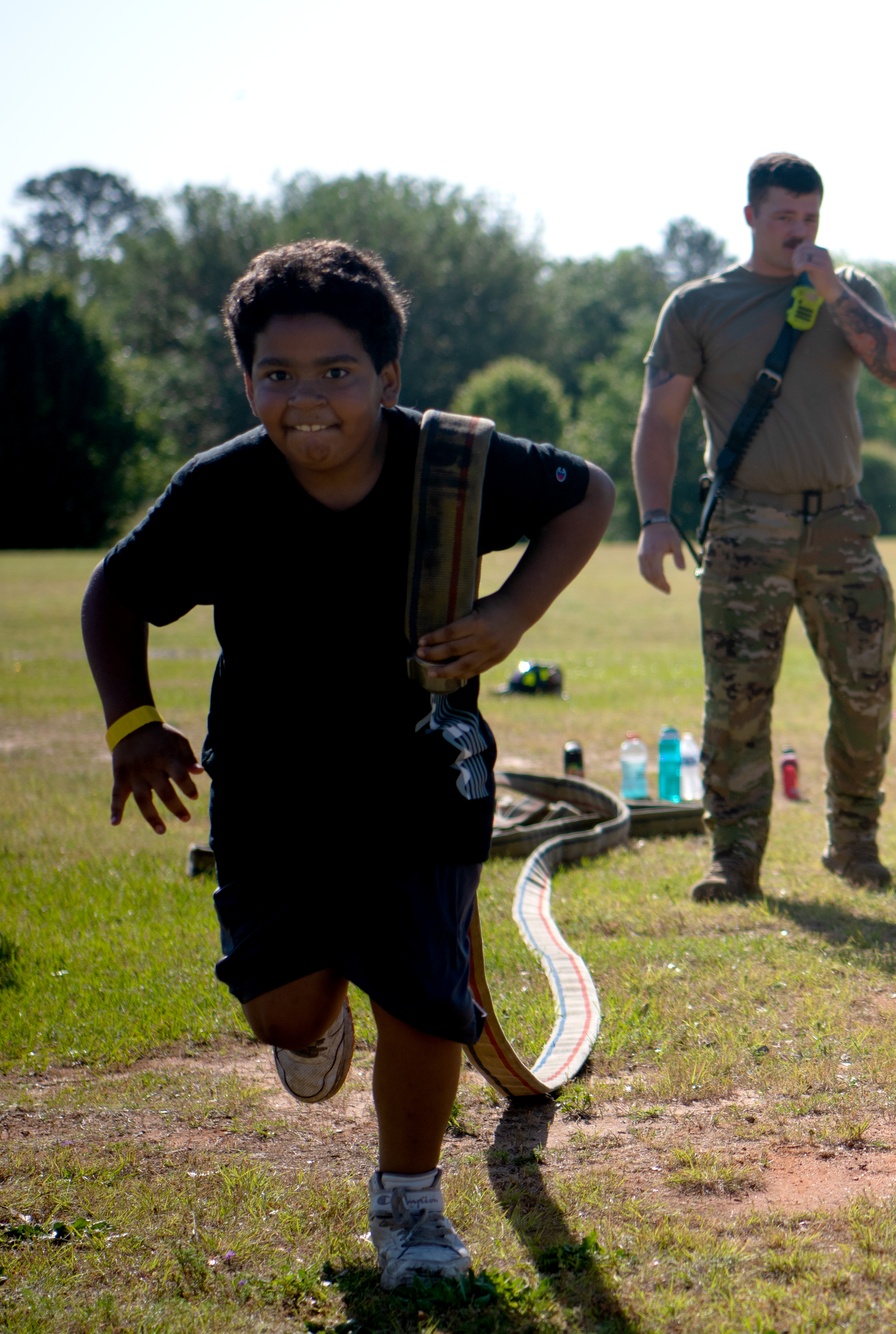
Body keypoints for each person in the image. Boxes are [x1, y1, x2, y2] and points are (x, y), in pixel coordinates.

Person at [80, 240, 614, 1283]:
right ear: (248, 381)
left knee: (419, 992)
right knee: (289, 1004)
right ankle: (310, 1018)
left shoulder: (453, 460)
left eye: (336, 372)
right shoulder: (220, 487)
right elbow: (114, 591)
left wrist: (506, 617)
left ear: (386, 378)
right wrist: (132, 723)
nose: (306, 398)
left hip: (423, 769)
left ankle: (410, 1207)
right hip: (273, 783)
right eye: (277, 374)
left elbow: (583, 495)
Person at [632, 153, 896, 902]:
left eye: (811, 217)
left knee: (865, 691)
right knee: (736, 701)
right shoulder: (699, 305)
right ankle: (734, 860)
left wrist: (829, 292)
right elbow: (659, 421)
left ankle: (854, 845)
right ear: (752, 215)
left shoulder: (848, 290)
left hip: (839, 524)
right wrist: (655, 518)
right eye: (785, 217)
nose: (800, 231)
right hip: (744, 525)